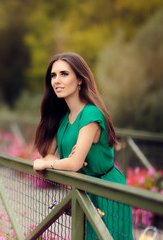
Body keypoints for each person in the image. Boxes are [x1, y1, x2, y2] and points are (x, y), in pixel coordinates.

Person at [33, 52, 133, 239]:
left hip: (107, 192)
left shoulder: (90, 115)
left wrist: (53, 163)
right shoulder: (64, 117)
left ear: (79, 79)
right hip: (85, 191)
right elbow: (47, 153)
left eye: (64, 74)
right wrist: (60, 161)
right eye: (53, 75)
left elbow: (74, 164)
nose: (56, 80)